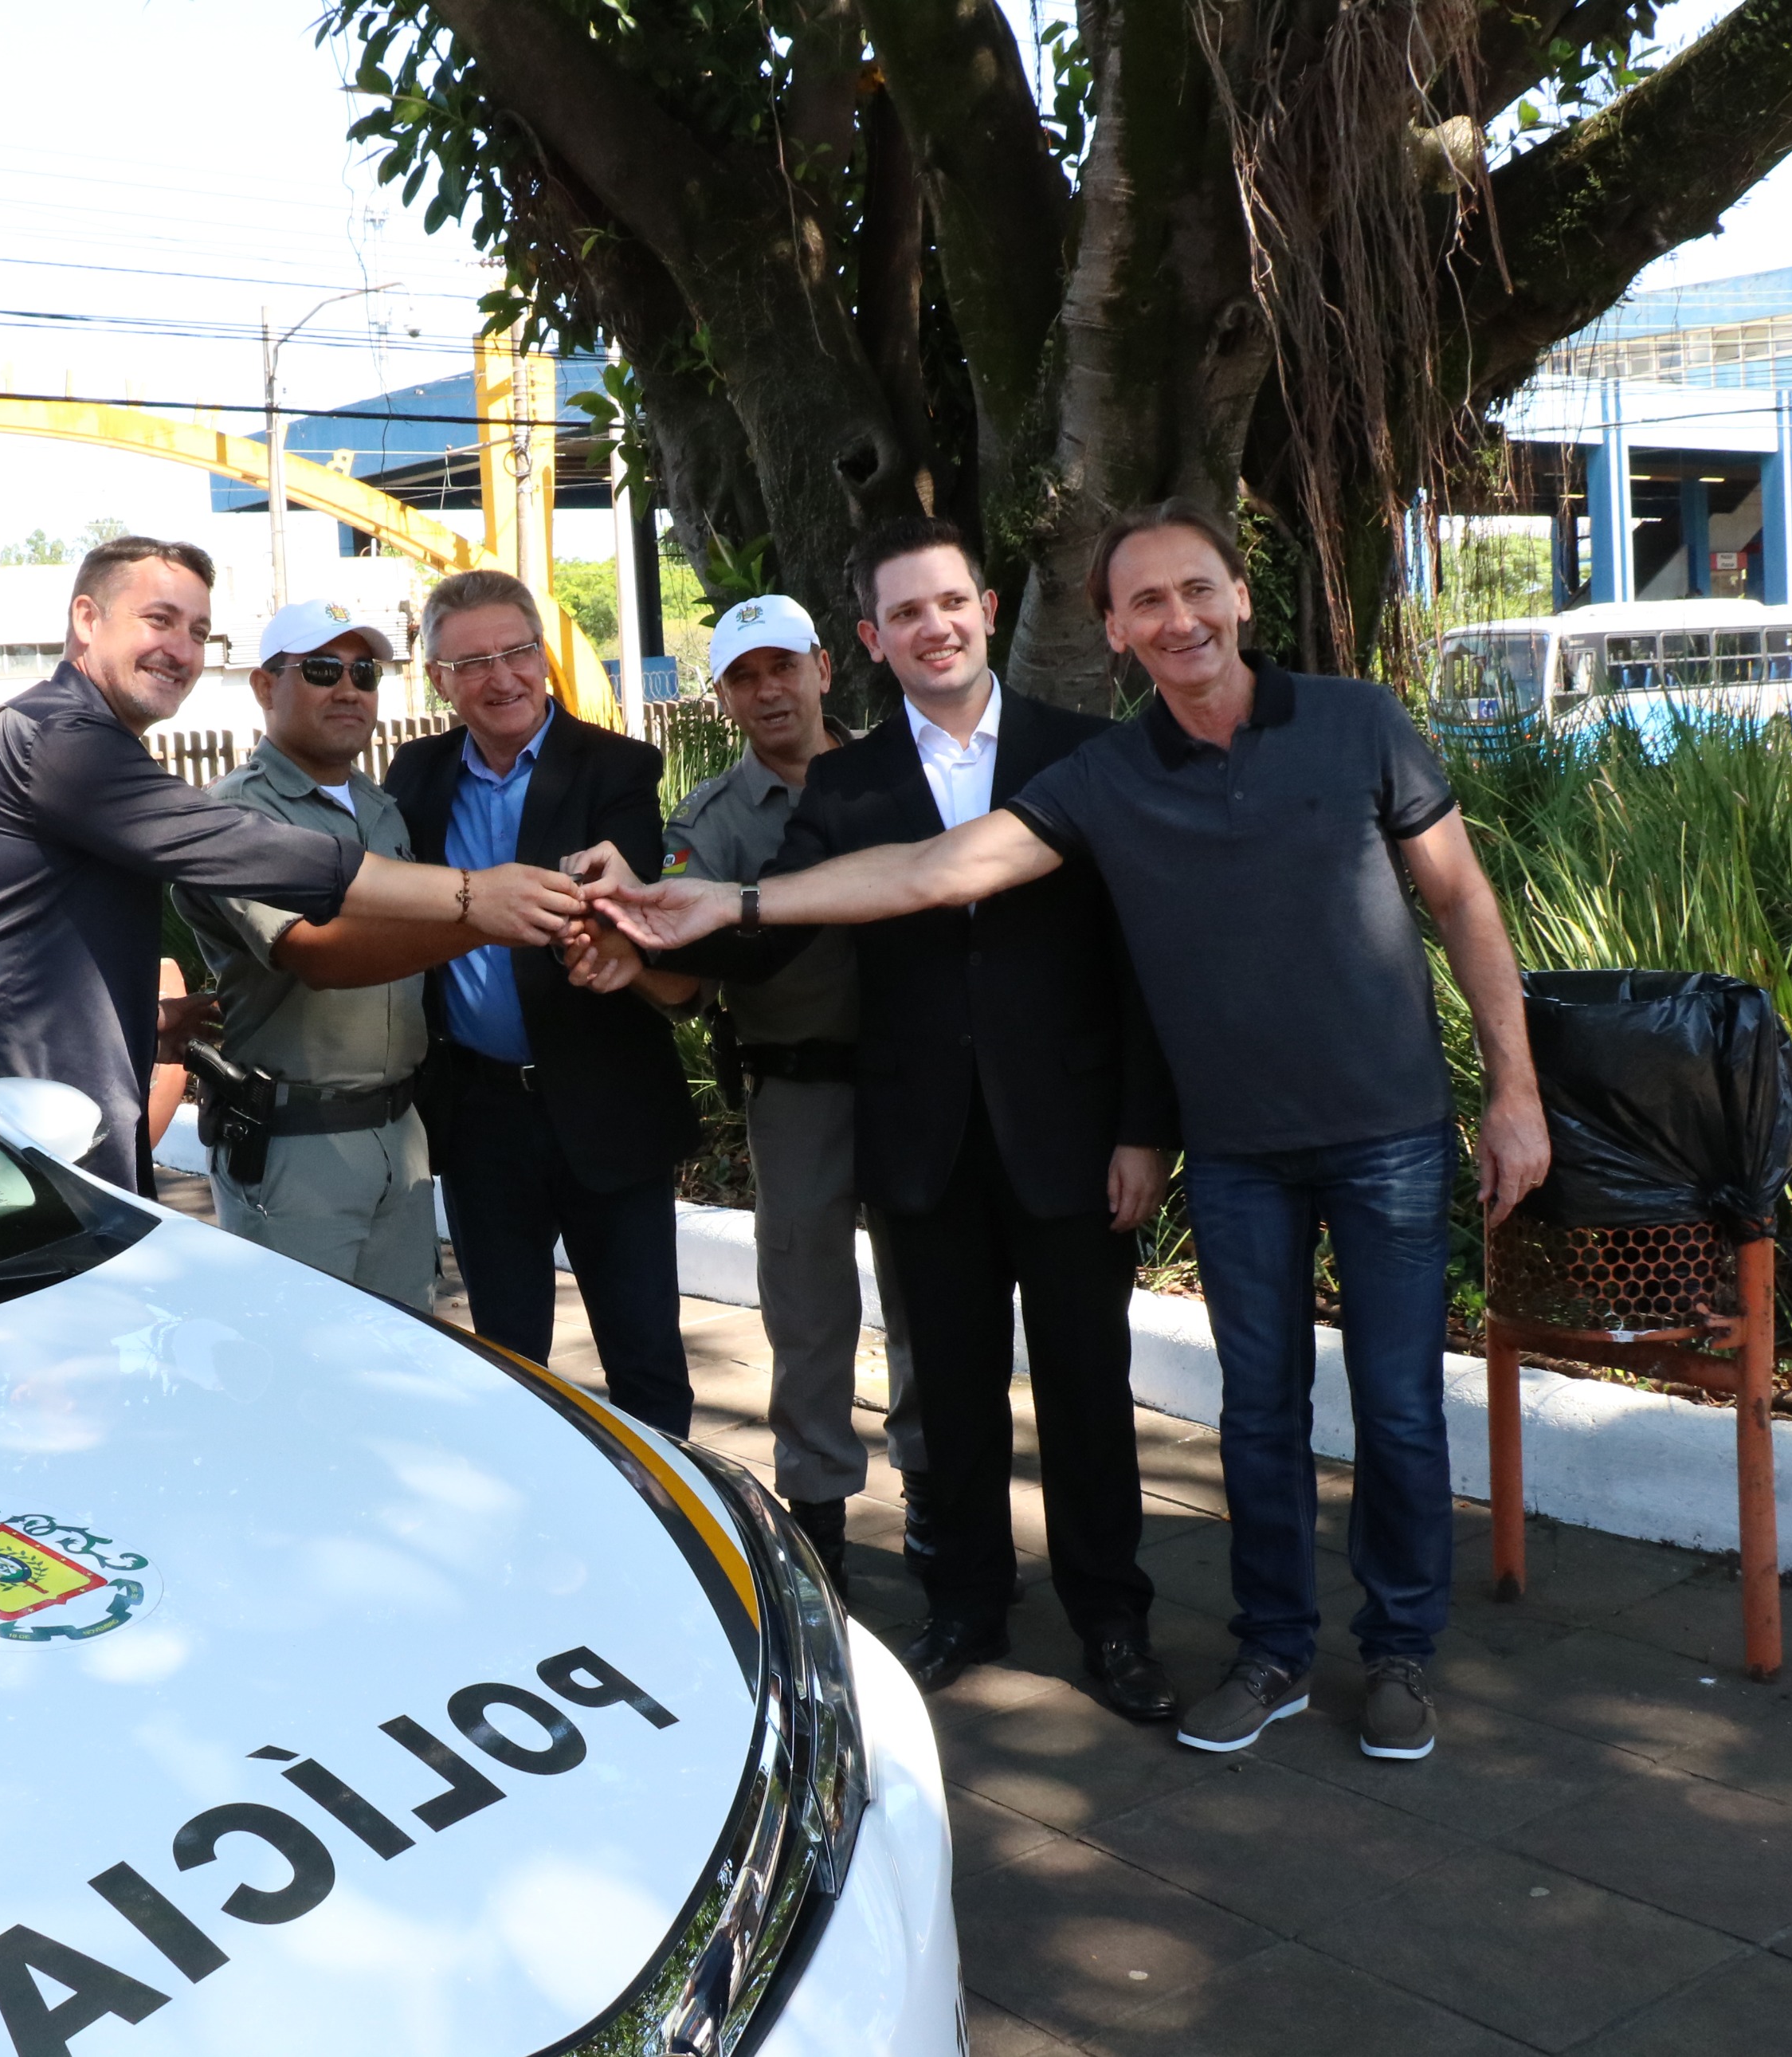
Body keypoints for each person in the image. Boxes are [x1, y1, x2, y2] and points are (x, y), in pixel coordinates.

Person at [591, 501, 1552, 1765]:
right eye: (1146, 601)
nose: (1178, 618)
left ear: (1239, 595)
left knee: (1395, 1408)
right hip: (1209, 1150)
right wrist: (717, 908)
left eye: (1196, 590)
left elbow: (1455, 899)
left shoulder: (1332, 723)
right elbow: (933, 872)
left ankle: (1391, 1652)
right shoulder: (1099, 773)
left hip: (1366, 1133)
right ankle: (1263, 1647)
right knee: (1253, 1413)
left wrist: (1513, 1089)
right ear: (1109, 627)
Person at [584, 524, 1184, 1715]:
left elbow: (1141, 959)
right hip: (921, 1135)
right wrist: (661, 924)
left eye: (949, 602)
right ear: (871, 638)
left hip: (1069, 1134)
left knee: (1086, 1383)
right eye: (905, 612)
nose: (933, 626)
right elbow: (777, 927)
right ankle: (966, 1604)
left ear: (988, 607)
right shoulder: (847, 788)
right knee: (948, 1387)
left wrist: (1143, 1128)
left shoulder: (1086, 751)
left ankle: (1111, 1619)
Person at [0, 536, 586, 1191]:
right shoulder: (56, 739)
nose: (181, 650)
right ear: (87, 619)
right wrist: (473, 898)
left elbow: (35, 946)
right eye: (159, 620)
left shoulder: (90, 743)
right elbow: (246, 850)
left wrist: (143, 1020)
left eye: (197, 631)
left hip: (33, 1130)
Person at [610, 595, 925, 1605]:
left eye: (782, 666)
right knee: (807, 1310)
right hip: (795, 1084)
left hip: (916, 1080)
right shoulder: (708, 823)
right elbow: (686, 974)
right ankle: (819, 1524)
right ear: (723, 697)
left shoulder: (902, 774)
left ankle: (940, 1513)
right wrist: (630, 949)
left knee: (929, 1300)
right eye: (743, 677)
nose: (767, 691)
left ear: (823, 668)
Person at [383, 569, 698, 1436]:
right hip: (480, 1112)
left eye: (517, 651)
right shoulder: (415, 775)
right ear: (440, 680)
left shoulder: (616, 767)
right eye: (472, 663)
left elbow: (630, 893)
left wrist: (610, 939)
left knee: (644, 1359)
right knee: (508, 1364)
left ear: (544, 655)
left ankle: (668, 1512)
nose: (501, 677)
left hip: (604, 1102)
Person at [176, 599, 473, 1304]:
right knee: (299, 1355)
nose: (348, 688)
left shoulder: (381, 807)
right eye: (321, 670)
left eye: (364, 673)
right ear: (264, 685)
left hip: (399, 1135)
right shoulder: (236, 817)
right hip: (297, 1147)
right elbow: (317, 955)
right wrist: (486, 915)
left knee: (403, 1353)